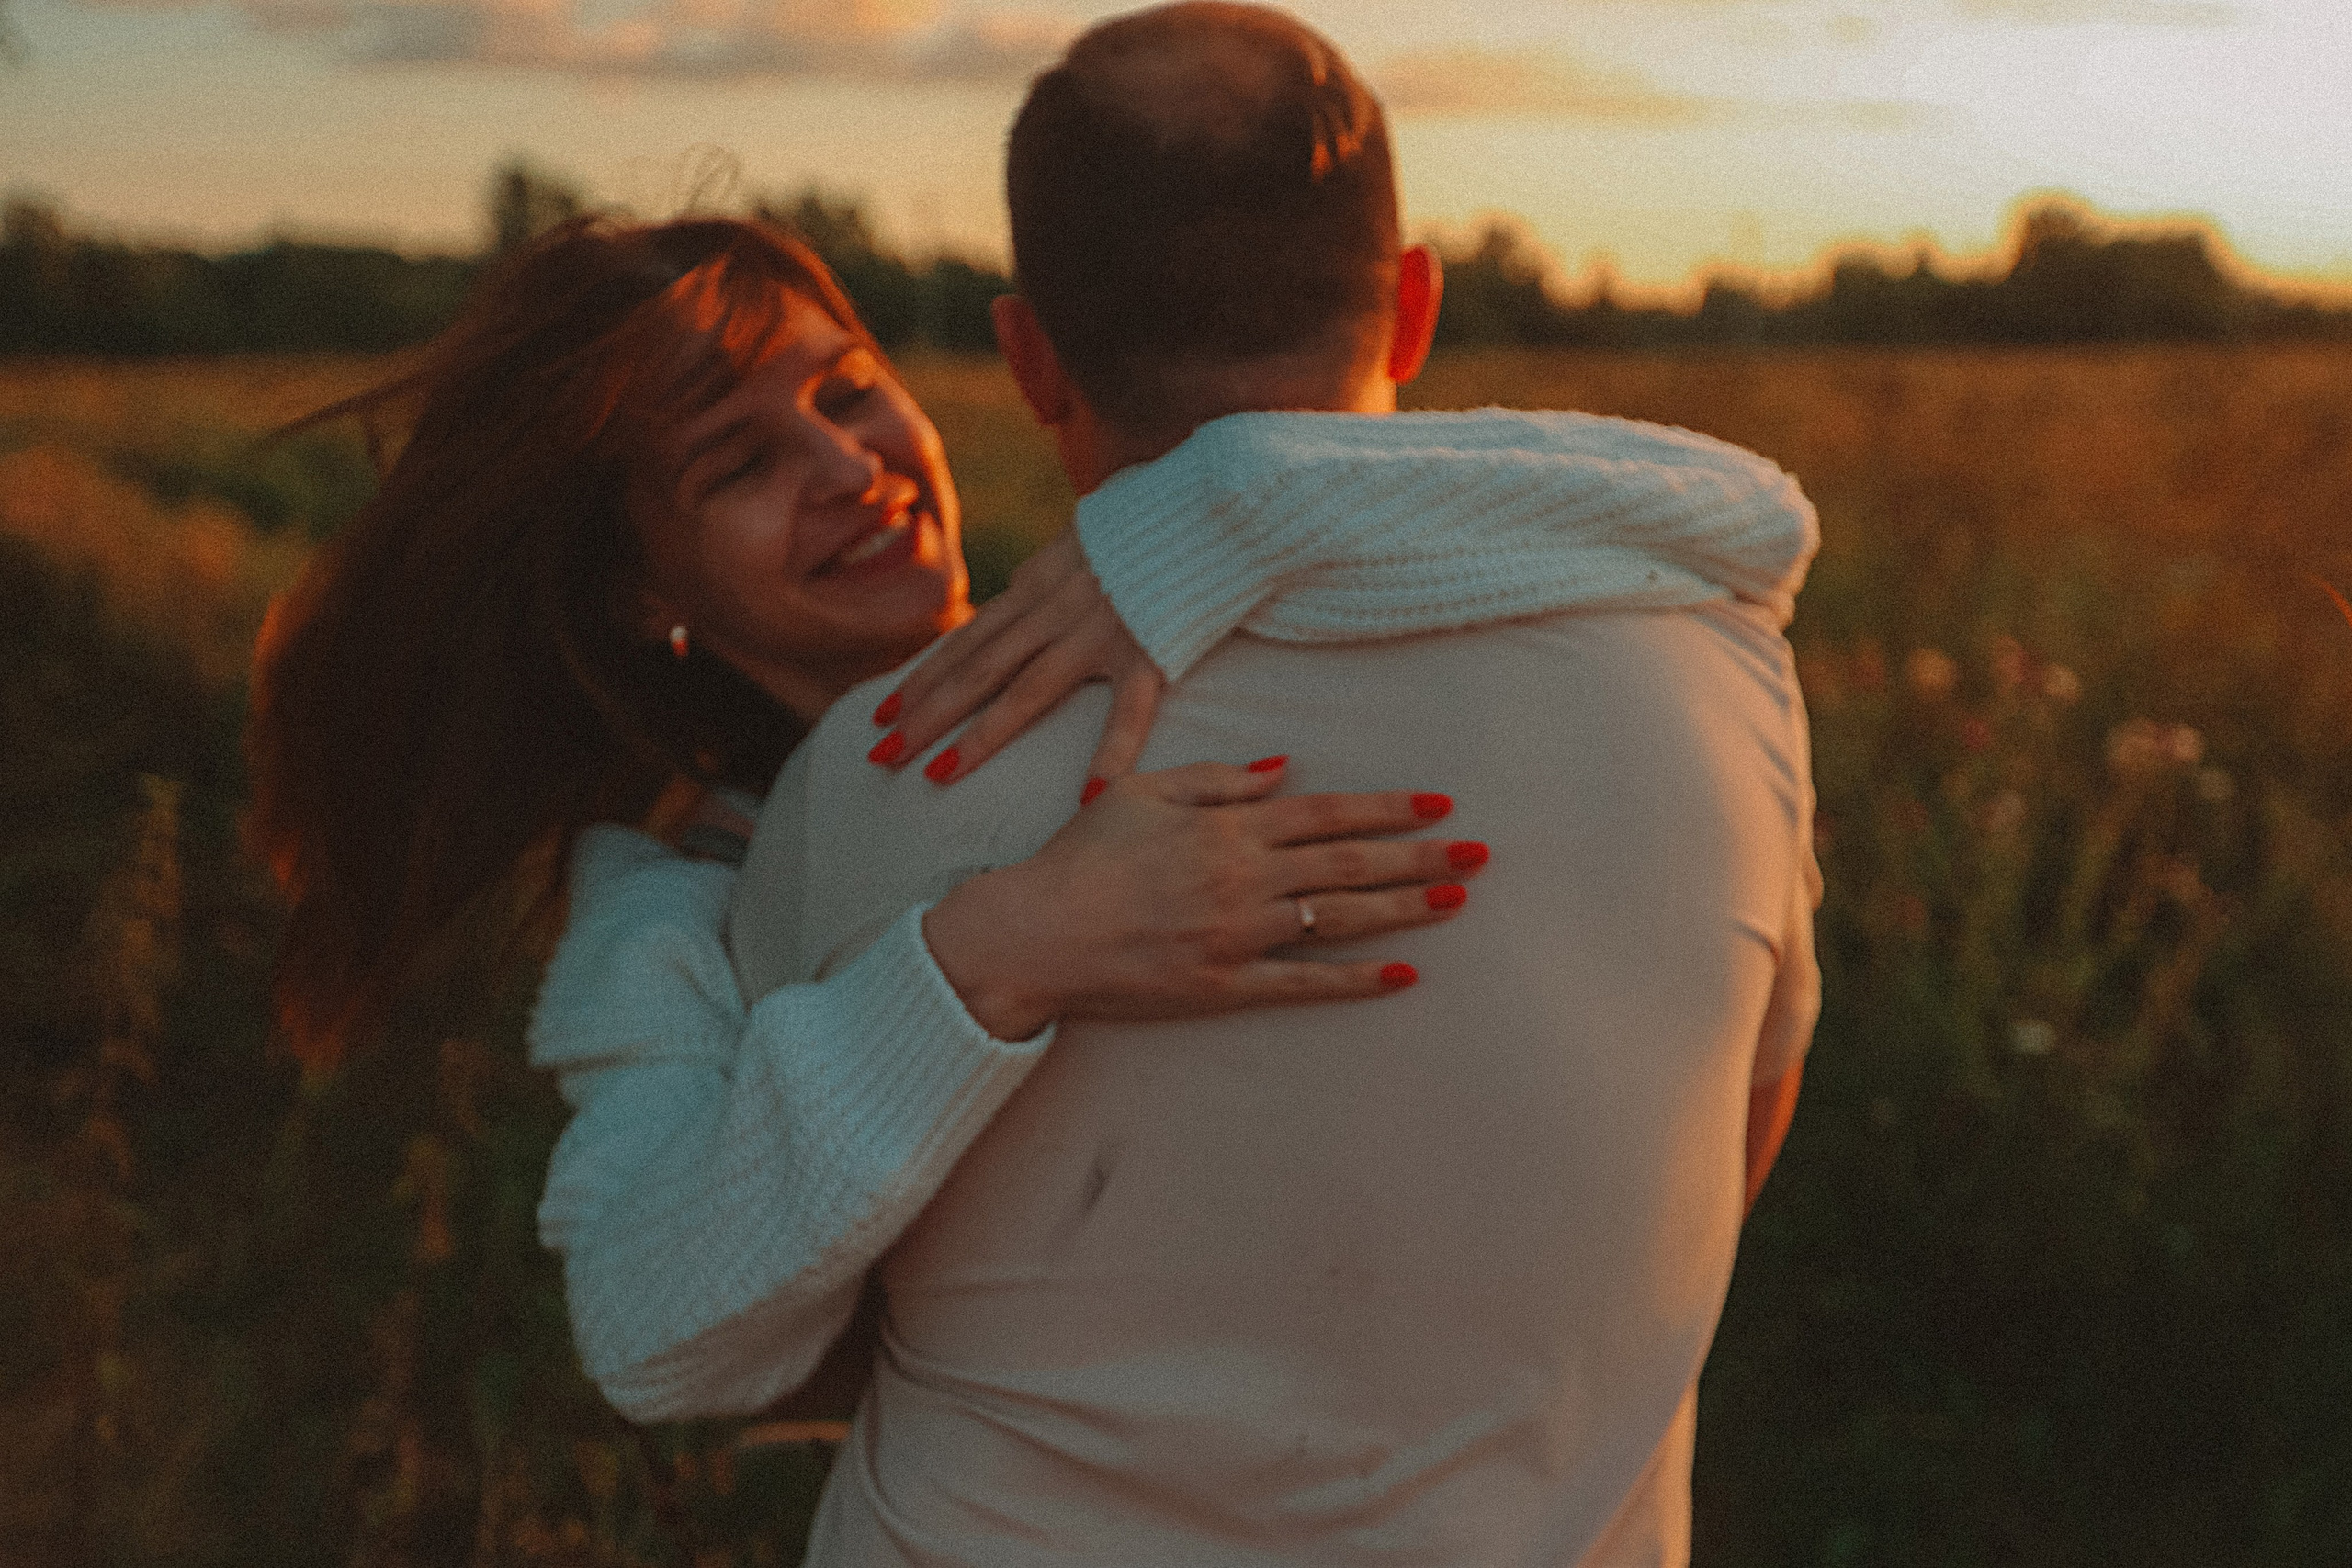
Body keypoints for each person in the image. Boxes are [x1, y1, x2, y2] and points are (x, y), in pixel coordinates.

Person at [712, 5, 1822, 1562]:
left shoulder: (889, 766)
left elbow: (763, 1297)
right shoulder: (1718, 676)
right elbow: (1728, 1147)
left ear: (1027, 354)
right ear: (1415, 305)